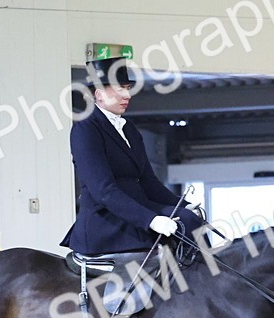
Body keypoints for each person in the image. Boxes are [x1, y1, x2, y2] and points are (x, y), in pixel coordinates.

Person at [61, 57, 204, 255]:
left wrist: (182, 204)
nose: (127, 95)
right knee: (184, 222)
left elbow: (149, 182)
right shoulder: (85, 130)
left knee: (190, 219)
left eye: (128, 88)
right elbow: (104, 191)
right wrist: (150, 220)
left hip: (138, 208)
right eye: (120, 89)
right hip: (106, 219)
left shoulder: (129, 129)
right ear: (99, 94)